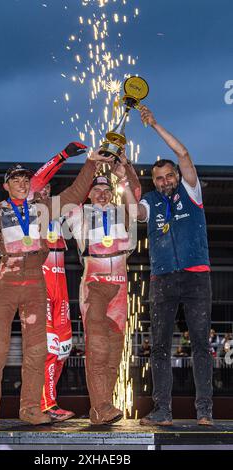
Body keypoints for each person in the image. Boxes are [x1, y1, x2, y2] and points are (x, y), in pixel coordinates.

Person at [0, 143, 110, 426]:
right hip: (6, 279)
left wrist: (91, 163)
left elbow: (73, 195)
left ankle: (32, 409)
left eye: (25, 180)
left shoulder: (43, 208)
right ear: (5, 185)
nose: (22, 184)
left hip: (36, 279)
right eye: (16, 180)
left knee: (37, 349)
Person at [134, 106, 213, 426]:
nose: (165, 180)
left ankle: (205, 411)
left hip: (196, 277)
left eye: (169, 175)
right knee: (160, 347)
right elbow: (133, 213)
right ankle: (162, 411)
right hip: (162, 279)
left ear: (178, 177)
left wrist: (154, 125)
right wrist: (122, 169)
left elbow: (183, 152)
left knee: (200, 345)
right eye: (158, 178)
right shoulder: (150, 203)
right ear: (153, 182)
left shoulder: (191, 192)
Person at [67, 152, 141, 424]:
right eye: (95, 189)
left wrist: (125, 168)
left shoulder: (123, 212)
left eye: (105, 189)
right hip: (94, 284)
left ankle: (102, 407)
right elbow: (71, 194)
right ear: (88, 193)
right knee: (97, 347)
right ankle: (100, 406)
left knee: (113, 351)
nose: (101, 194)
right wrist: (91, 163)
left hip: (121, 284)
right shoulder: (77, 212)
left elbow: (135, 193)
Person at [38, 183, 74, 422]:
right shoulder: (28, 215)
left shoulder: (60, 214)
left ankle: (49, 401)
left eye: (48, 188)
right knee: (49, 351)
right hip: (41, 289)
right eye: (39, 188)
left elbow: (79, 196)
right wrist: (62, 156)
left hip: (61, 289)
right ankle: (45, 405)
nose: (44, 191)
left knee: (63, 350)